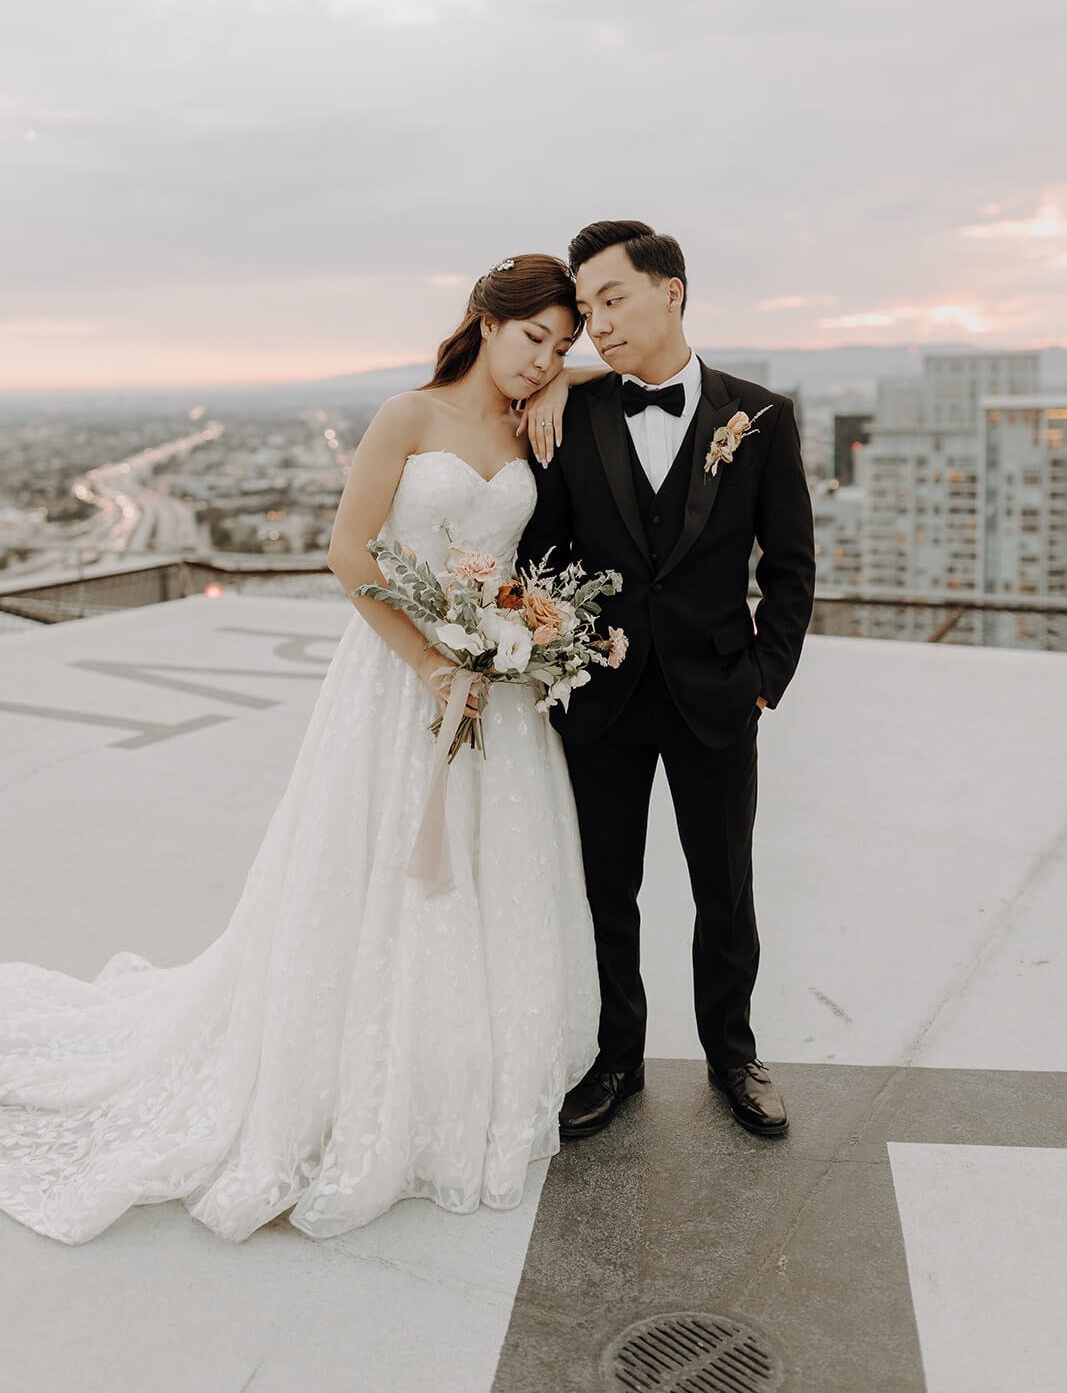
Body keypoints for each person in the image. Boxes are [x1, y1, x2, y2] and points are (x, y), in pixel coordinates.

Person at [0, 254, 599, 1245]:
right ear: (484, 321)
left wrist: (567, 387)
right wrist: (428, 664)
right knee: (371, 877)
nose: (543, 361)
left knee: (488, 884)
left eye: (560, 347)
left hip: (495, 691)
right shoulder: (409, 415)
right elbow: (348, 549)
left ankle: (454, 1072)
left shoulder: (534, 418)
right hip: (394, 681)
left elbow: (638, 376)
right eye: (533, 337)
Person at [517, 221, 815, 1140]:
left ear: (670, 291)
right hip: (598, 700)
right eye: (586, 309)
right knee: (607, 887)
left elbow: (792, 565)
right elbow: (541, 554)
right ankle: (616, 1059)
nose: (594, 324)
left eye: (611, 300)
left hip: (720, 695)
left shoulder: (758, 416)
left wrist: (765, 676)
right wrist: (557, 654)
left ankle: (733, 1055)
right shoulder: (573, 414)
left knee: (722, 887)